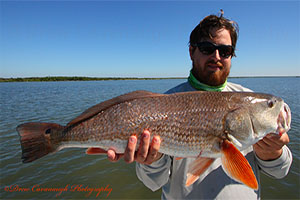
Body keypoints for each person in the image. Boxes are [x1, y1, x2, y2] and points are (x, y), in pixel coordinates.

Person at [106, 13, 292, 199]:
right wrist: (153, 160)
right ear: (191, 52)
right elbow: (152, 182)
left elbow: (279, 172)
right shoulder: (163, 103)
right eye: (206, 48)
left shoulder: (247, 99)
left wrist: (273, 153)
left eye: (225, 51)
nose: (216, 56)